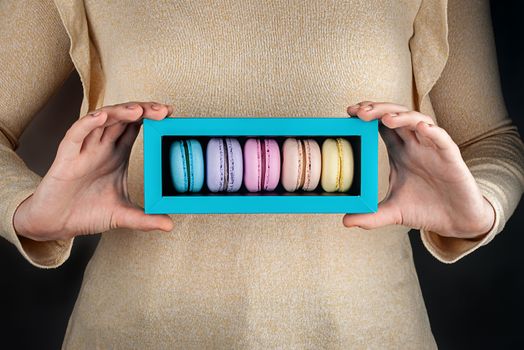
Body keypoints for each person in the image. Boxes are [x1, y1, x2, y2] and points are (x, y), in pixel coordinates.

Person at [1, 0, 523, 348]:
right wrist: (24, 209)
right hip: (134, 333)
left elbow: (489, 138)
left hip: (366, 333)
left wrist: (482, 204)